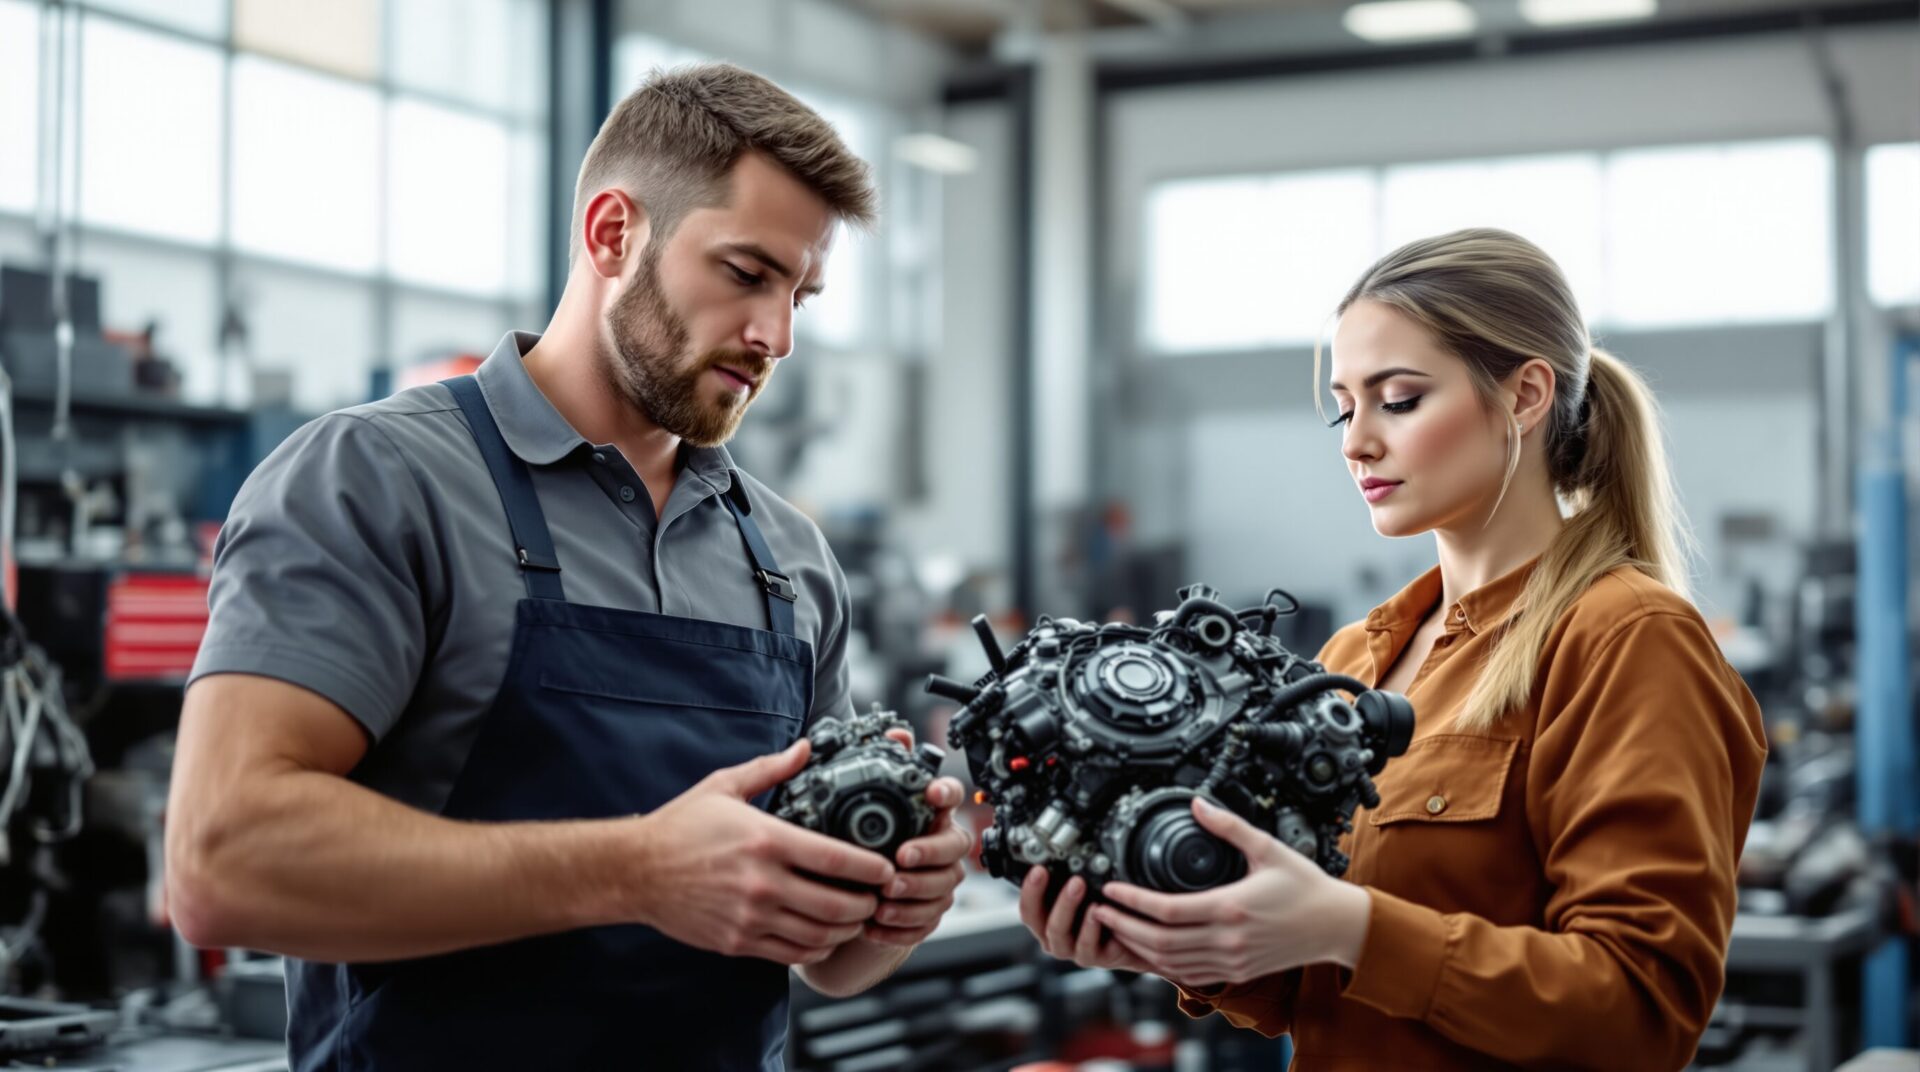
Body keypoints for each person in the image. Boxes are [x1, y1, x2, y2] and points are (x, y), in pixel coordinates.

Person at [164, 63, 970, 1071]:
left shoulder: (789, 559)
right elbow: (222, 859)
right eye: (746, 273)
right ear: (612, 233)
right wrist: (637, 871)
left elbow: (826, 961)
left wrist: (892, 907)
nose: (777, 337)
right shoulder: (377, 480)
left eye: (800, 295)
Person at [1018, 228, 1768, 1070]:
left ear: (1525, 396)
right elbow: (1310, 987)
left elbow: (1640, 1012)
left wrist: (1356, 928)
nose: (1355, 441)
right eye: (1345, 406)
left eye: (1399, 400)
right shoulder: (1352, 662)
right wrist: (1171, 942)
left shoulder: (1627, 640)